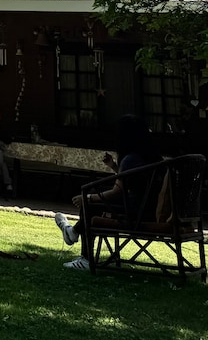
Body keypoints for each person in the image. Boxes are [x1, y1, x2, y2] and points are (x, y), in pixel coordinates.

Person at [53, 114, 163, 270]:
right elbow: (131, 182)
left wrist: (88, 197)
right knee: (94, 201)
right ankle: (72, 233)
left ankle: (84, 256)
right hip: (149, 209)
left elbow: (117, 192)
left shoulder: (130, 159)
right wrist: (114, 167)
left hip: (137, 214)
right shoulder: (151, 157)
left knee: (89, 205)